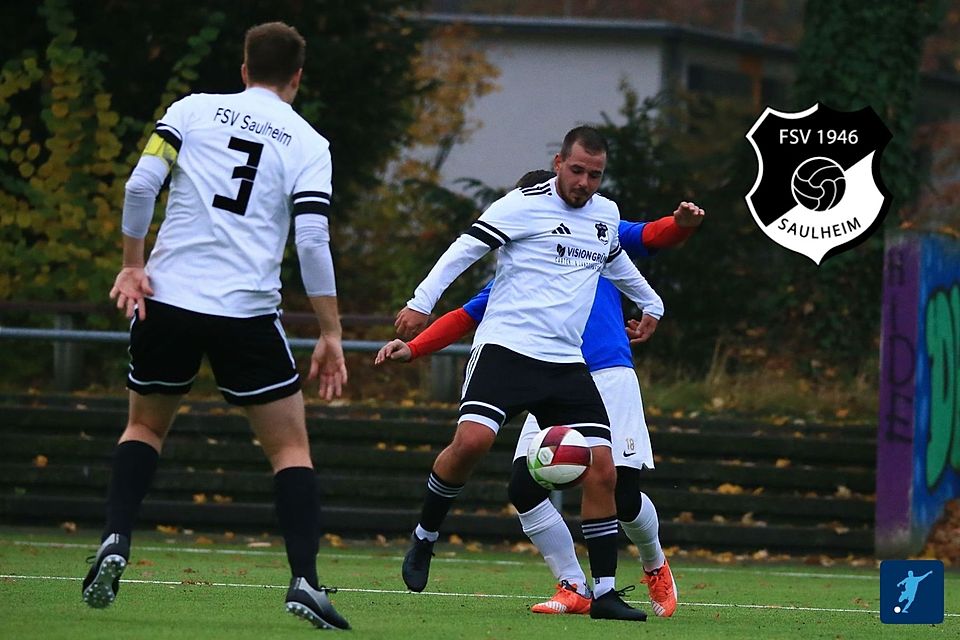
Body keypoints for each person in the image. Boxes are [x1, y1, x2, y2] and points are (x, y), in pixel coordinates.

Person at [81, 22, 350, 630]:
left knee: (144, 427)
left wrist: (132, 264)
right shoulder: (309, 143)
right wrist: (330, 331)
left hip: (168, 301)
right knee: (289, 449)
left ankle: (116, 537)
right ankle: (305, 581)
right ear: (297, 78)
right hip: (245, 313)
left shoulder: (192, 110)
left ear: (244, 69)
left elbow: (140, 184)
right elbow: (311, 238)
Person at [378, 170, 704, 618]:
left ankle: (654, 563)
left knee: (622, 494)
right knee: (523, 483)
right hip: (539, 369)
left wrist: (679, 228)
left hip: (606, 373)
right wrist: (414, 347)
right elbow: (466, 315)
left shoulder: (598, 230)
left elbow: (649, 236)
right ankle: (574, 585)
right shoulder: (521, 267)